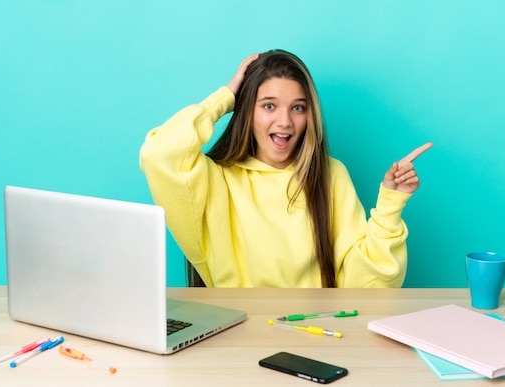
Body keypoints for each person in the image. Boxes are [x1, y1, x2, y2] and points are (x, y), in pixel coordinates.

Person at [139, 49, 431, 288]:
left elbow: (368, 286)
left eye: (298, 108)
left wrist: (391, 204)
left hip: (318, 333)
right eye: (268, 106)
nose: (285, 122)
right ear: (246, 110)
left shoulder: (330, 175)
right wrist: (226, 96)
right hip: (238, 337)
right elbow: (158, 154)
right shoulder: (215, 180)